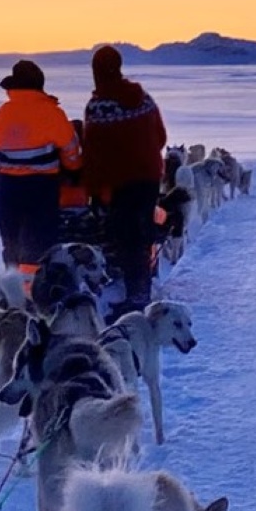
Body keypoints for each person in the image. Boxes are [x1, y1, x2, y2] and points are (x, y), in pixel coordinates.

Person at [82, 45, 167, 314]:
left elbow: (93, 154)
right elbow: (161, 136)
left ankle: (137, 300)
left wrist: (93, 191)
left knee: (126, 240)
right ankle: (142, 290)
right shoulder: (144, 99)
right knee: (141, 234)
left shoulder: (98, 107)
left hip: (121, 183)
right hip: (149, 177)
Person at [0, 60, 81, 273]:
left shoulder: (4, 111)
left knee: (11, 239)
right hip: (41, 185)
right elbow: (70, 147)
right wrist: (74, 170)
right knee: (38, 241)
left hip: (6, 186)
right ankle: (34, 292)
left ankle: (12, 290)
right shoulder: (52, 113)